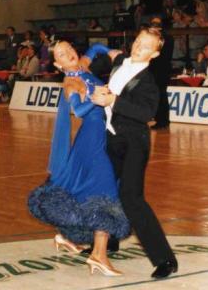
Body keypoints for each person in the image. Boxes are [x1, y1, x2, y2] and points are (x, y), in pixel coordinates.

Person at [28, 41, 130, 277]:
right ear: (58, 65)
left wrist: (110, 52)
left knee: (88, 188)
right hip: (92, 139)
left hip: (102, 135)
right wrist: (95, 97)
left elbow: (95, 48)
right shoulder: (71, 82)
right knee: (106, 191)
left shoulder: (83, 66)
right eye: (62, 54)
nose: (69, 54)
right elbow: (79, 111)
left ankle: (65, 237)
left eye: (69, 49)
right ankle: (99, 255)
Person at [89, 28, 178, 280]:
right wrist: (85, 63)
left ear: (155, 54)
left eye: (146, 46)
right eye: (138, 41)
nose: (139, 47)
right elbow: (99, 56)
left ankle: (165, 259)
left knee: (131, 198)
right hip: (112, 138)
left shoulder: (149, 81)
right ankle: (108, 243)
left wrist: (113, 101)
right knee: (107, 191)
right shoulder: (120, 62)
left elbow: (146, 113)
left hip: (134, 143)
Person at [149, 17, 173, 129]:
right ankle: (163, 119)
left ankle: (161, 120)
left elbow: (159, 56)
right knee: (161, 95)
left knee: (160, 96)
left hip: (159, 70)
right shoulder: (168, 37)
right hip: (163, 70)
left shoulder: (161, 39)